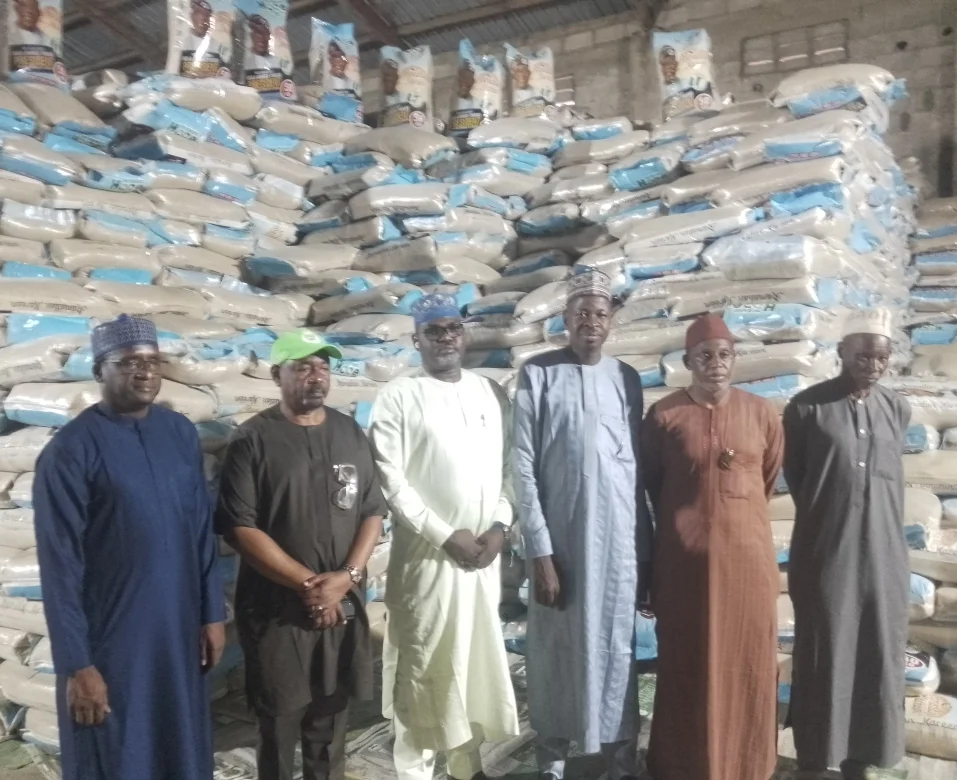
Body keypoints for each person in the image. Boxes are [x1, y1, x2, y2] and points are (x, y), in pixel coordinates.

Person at [33, 314, 226, 780]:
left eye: (153, 361)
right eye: (129, 362)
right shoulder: (71, 451)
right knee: (119, 751)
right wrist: (78, 664)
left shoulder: (179, 433)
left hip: (178, 631)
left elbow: (201, 529)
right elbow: (60, 566)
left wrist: (213, 614)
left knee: (179, 744)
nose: (145, 372)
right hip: (113, 641)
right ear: (99, 370)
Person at [215, 329, 387, 780]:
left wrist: (346, 577)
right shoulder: (252, 439)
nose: (316, 376)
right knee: (278, 722)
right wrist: (312, 587)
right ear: (278, 375)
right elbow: (240, 527)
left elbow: (372, 511)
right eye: (304, 366)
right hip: (278, 612)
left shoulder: (349, 433)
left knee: (330, 720)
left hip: (343, 603)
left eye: (323, 367)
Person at [369, 294, 519, 780]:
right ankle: (414, 771)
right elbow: (390, 479)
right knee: (424, 666)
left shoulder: (489, 392)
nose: (445, 338)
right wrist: (443, 535)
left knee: (471, 665)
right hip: (427, 562)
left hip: (482, 561)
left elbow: (510, 467)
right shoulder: (398, 396)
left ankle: (465, 766)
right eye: (433, 331)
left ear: (464, 334)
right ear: (416, 340)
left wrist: (499, 526)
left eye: (453, 328)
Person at [513, 270, 652, 780]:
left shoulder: (626, 378)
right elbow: (523, 465)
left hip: (617, 546)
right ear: (565, 321)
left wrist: (644, 554)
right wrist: (540, 551)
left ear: (611, 321)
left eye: (599, 313)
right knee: (555, 651)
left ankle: (619, 759)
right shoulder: (538, 374)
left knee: (616, 649)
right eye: (581, 314)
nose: (591, 322)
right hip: (562, 545)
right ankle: (551, 760)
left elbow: (635, 471)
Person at [641, 313, 783, 780]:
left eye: (724, 355)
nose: (715, 364)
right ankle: (683, 766)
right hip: (683, 570)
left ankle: (746, 765)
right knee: (686, 663)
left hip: (747, 568)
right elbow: (653, 485)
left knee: (749, 662)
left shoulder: (761, 414)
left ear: (735, 359)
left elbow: (766, 480)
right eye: (704, 356)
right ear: (687, 362)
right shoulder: (664, 416)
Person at [783, 309, 909, 780]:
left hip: (884, 556)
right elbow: (799, 478)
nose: (873, 365)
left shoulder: (896, 408)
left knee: (876, 651)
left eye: (881, 357)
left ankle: (862, 756)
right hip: (826, 552)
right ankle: (816, 759)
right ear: (841, 352)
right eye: (862, 355)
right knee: (825, 650)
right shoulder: (806, 408)